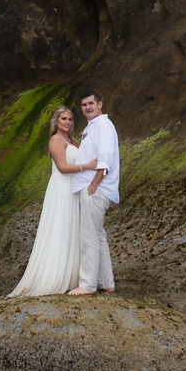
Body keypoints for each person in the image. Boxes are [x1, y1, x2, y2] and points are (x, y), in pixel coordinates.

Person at [7, 105, 97, 297]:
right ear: (56, 121)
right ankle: (54, 275)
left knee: (72, 228)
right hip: (61, 187)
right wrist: (88, 166)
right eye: (64, 119)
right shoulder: (55, 140)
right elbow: (63, 168)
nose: (67, 122)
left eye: (70, 119)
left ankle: (73, 277)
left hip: (73, 187)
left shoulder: (71, 139)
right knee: (60, 228)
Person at [67, 91, 120, 296]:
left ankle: (87, 284)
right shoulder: (93, 127)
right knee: (98, 235)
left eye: (91, 103)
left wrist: (93, 185)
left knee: (88, 236)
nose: (87, 107)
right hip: (94, 188)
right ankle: (107, 282)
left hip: (95, 189)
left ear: (100, 104)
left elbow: (106, 158)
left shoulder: (104, 126)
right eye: (83, 105)